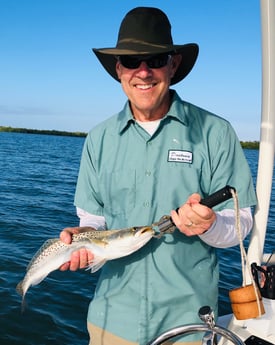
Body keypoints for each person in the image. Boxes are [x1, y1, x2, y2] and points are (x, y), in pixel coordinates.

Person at [60, 7, 256, 345]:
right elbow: (93, 220)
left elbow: (241, 224)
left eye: (156, 59)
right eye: (132, 62)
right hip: (111, 320)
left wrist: (210, 225)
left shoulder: (216, 132)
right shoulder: (98, 138)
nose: (144, 72)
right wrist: (84, 235)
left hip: (189, 325)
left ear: (173, 64)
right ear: (119, 69)